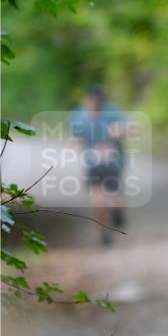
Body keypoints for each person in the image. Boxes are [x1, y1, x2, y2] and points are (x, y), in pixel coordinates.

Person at [69, 84, 127, 246]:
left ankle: (117, 212)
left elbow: (123, 128)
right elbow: (75, 136)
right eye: (93, 100)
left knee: (115, 195)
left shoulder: (111, 111)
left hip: (112, 162)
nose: (96, 103)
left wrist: (117, 132)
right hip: (93, 162)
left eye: (99, 100)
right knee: (97, 199)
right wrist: (76, 140)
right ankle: (104, 232)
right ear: (87, 99)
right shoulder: (79, 114)